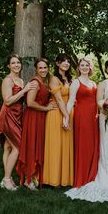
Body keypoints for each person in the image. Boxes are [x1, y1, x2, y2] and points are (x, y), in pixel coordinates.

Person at [65, 58, 108, 202]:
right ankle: (105, 175)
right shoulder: (102, 84)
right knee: (106, 145)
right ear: (106, 70)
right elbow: (98, 101)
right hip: (106, 118)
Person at [16, 58, 57, 190]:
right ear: (36, 69)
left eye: (45, 67)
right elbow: (30, 102)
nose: (43, 70)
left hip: (40, 117)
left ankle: (35, 176)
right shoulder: (35, 82)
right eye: (40, 68)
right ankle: (28, 179)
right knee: (32, 146)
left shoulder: (45, 82)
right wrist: (46, 108)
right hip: (33, 117)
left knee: (38, 145)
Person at [0, 54, 35, 191]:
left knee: (8, 147)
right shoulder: (8, 80)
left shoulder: (20, 80)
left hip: (18, 116)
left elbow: (23, 100)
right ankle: (7, 179)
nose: (16, 65)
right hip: (8, 116)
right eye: (13, 63)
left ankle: (6, 178)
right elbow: (7, 101)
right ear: (8, 66)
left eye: (18, 62)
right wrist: (24, 90)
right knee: (18, 148)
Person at [65, 57, 99, 191]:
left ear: (90, 67)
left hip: (93, 117)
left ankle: (92, 174)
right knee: (83, 145)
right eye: (82, 65)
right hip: (82, 116)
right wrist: (66, 118)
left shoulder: (94, 83)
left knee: (92, 145)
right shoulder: (76, 82)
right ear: (78, 68)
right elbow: (70, 101)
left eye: (87, 65)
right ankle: (82, 176)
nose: (84, 67)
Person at [43, 53, 74, 187]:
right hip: (57, 113)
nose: (66, 63)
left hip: (67, 111)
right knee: (55, 145)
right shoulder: (54, 79)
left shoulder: (69, 78)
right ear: (57, 63)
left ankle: (64, 179)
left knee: (65, 145)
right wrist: (66, 116)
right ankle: (52, 179)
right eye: (63, 61)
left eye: (68, 61)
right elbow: (59, 99)